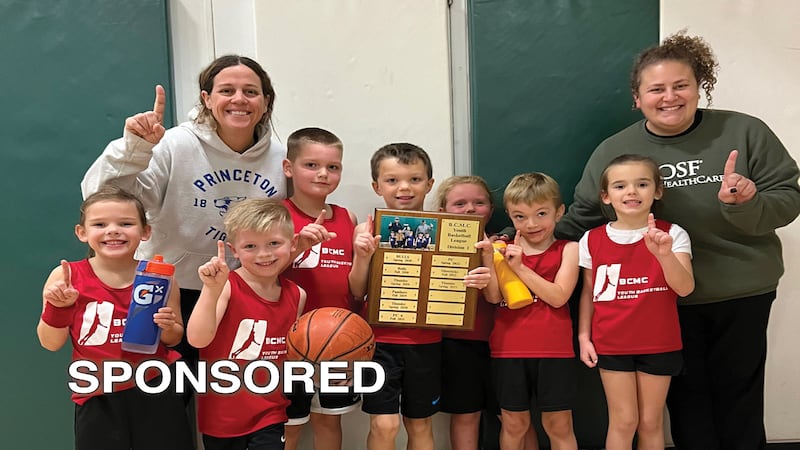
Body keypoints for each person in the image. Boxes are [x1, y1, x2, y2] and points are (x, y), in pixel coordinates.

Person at [557, 32, 800, 450]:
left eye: (681, 85)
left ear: (699, 86)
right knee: (687, 405)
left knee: (739, 398)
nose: (669, 97)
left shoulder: (745, 131)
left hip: (741, 291)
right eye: (656, 89)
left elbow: (789, 198)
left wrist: (746, 203)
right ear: (637, 98)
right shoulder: (615, 150)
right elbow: (582, 218)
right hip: (662, 302)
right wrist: (516, 237)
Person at [80, 55, 288, 375]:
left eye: (250, 91)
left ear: (265, 100)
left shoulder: (279, 157)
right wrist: (134, 148)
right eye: (226, 90)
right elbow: (100, 195)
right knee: (163, 396)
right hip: (167, 291)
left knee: (231, 399)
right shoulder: (176, 143)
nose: (239, 100)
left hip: (238, 292)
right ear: (206, 98)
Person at [348, 144, 494, 450]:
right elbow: (356, 291)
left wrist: (480, 278)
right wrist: (362, 258)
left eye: (415, 179)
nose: (404, 187)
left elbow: (480, 288)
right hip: (378, 344)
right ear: (377, 186)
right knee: (383, 424)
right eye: (392, 180)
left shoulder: (452, 231)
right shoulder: (367, 228)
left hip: (427, 344)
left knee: (420, 423)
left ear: (429, 184)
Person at [36, 185, 193, 450]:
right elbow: (50, 343)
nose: (113, 230)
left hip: (156, 383)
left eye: (126, 223)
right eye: (100, 224)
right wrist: (58, 307)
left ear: (145, 232)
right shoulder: (66, 277)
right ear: (82, 233)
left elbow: (174, 337)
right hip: (98, 393)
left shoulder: (161, 277)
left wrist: (167, 326)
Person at [577, 155, 694, 449]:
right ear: (606, 196)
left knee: (651, 423)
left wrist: (664, 254)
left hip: (659, 343)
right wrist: (583, 336)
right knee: (624, 421)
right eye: (620, 186)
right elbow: (590, 292)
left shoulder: (673, 234)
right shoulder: (591, 239)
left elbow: (685, 288)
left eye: (642, 184)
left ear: (657, 191)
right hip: (612, 343)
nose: (631, 192)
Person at [186, 199, 306, 450]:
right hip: (223, 416)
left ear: (292, 243)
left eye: (274, 243)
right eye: (250, 246)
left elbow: (291, 356)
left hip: (270, 412)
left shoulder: (297, 295)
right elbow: (197, 340)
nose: (264, 254)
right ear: (235, 250)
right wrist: (210, 290)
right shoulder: (227, 286)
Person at [435, 175, 540, 450]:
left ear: (491, 210)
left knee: (516, 418)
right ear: (442, 211)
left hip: (507, 344)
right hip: (459, 341)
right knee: (466, 415)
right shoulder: (434, 247)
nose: (470, 209)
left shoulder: (508, 244)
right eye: (460, 203)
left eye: (479, 202)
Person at [279, 127, 361, 450]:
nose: (323, 174)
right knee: (290, 423)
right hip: (288, 341)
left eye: (333, 167)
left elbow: (356, 288)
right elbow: (258, 276)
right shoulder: (276, 216)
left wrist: (365, 257)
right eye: (311, 165)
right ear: (289, 168)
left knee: (329, 420)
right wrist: (297, 249)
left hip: (339, 340)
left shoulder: (348, 218)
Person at [490, 173, 579, 450]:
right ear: (509, 216)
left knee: (559, 424)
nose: (531, 224)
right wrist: (488, 261)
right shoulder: (500, 250)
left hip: (554, 350)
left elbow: (558, 296)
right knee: (514, 423)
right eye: (520, 216)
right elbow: (493, 297)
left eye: (541, 213)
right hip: (507, 349)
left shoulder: (570, 249)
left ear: (559, 211)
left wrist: (520, 268)